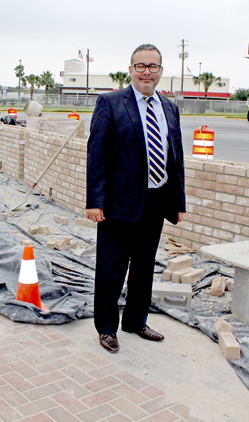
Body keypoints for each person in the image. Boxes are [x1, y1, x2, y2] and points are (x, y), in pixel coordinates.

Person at [86, 44, 186, 354]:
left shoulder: (169, 108)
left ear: (160, 71)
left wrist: (178, 201)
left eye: (152, 66)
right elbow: (97, 155)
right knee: (111, 268)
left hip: (156, 202)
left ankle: (135, 321)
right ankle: (106, 328)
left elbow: (176, 157)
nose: (146, 71)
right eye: (140, 66)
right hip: (118, 203)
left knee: (144, 267)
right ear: (130, 70)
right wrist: (94, 201)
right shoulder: (111, 103)